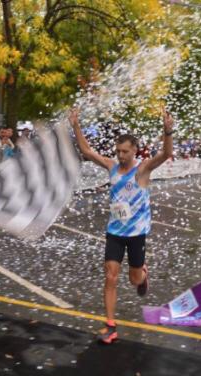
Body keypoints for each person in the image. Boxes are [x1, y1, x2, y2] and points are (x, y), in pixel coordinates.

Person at [68, 107, 174, 344]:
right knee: (110, 276)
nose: (120, 155)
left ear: (135, 151)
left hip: (136, 235)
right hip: (114, 232)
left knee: (133, 280)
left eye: (125, 151)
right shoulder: (111, 167)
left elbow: (166, 154)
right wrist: (76, 125)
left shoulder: (143, 169)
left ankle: (143, 274)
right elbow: (86, 151)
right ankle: (110, 325)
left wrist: (168, 132)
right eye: (118, 151)